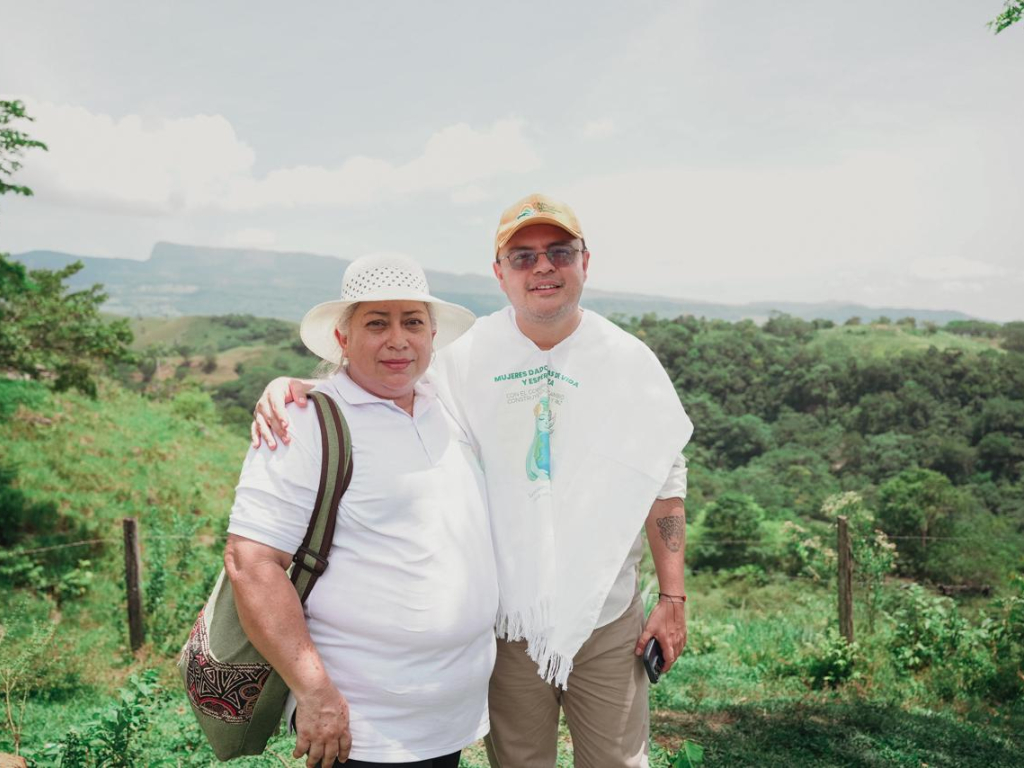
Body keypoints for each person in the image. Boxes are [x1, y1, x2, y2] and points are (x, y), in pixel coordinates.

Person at [253, 194, 693, 768]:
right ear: (499, 272)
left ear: (585, 261)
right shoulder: (464, 354)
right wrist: (302, 387)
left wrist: (673, 595)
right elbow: (385, 369)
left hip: (607, 615)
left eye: (559, 252)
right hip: (506, 623)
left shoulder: (628, 360)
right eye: (522, 257)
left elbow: (665, 476)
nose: (542, 268)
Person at [226, 253, 498, 768]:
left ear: (432, 336)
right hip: (361, 725)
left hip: (447, 720)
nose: (398, 339)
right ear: (343, 339)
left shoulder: (448, 405)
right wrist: (314, 692)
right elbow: (250, 563)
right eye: (377, 323)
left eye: (412, 322)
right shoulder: (304, 423)